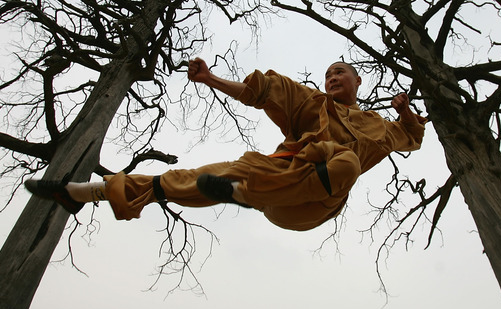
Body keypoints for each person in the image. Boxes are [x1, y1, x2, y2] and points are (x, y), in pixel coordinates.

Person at [25, 58, 426, 231]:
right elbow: (264, 91)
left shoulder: (378, 127)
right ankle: (88, 192)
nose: (332, 78)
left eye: (340, 73)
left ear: (358, 82)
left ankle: (244, 192)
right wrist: (211, 79)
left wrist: (405, 110)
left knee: (345, 162)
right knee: (198, 176)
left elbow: (413, 137)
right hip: (278, 184)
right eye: (327, 74)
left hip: (314, 203)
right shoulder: (313, 104)